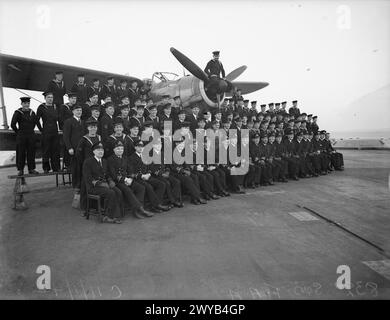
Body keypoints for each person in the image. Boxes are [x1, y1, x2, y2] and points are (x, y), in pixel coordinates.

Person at [107, 140, 154, 219]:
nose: (120, 150)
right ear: (114, 150)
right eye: (118, 149)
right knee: (128, 190)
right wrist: (125, 179)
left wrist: (130, 178)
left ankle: (138, 209)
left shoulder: (125, 158)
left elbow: (130, 170)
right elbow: (113, 175)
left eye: (121, 149)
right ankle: (140, 210)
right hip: (118, 181)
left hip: (128, 179)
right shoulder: (110, 159)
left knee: (141, 188)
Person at [82, 142, 123, 224]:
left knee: (118, 191)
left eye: (102, 150)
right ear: (93, 151)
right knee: (110, 193)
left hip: (105, 185)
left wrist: (110, 180)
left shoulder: (104, 161)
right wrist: (100, 184)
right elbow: (88, 178)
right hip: (93, 187)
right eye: (98, 150)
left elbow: (107, 174)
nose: (101, 152)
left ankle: (118, 214)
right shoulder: (88, 162)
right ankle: (108, 216)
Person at [128, 140, 170, 213]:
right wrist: (142, 176)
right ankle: (156, 205)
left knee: (161, 184)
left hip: (147, 176)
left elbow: (150, 167)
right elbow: (131, 172)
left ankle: (156, 205)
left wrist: (149, 174)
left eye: (142, 146)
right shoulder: (131, 158)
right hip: (138, 178)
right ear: (135, 147)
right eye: (138, 146)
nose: (141, 148)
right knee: (148, 187)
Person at [11, 97, 42, 175]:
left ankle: (31, 169)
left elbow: (37, 123)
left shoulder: (32, 112)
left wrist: (42, 130)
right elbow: (13, 124)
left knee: (31, 152)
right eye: (25, 103)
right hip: (21, 135)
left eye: (28, 103)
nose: (26, 105)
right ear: (21, 104)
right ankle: (20, 170)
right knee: (21, 153)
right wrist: (18, 132)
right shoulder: (18, 112)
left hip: (31, 135)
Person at [37, 91, 61, 173]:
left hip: (54, 131)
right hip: (46, 131)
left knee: (55, 149)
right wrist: (41, 129)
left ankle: (56, 167)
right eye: (48, 97)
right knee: (46, 150)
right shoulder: (41, 107)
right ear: (45, 98)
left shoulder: (55, 107)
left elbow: (59, 119)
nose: (50, 99)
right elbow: (37, 120)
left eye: (51, 97)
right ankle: (46, 168)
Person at [63, 104, 85, 190]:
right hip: (74, 149)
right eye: (77, 110)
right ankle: (76, 185)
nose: (79, 112)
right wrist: (69, 148)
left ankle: (82, 184)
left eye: (80, 111)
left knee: (82, 167)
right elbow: (66, 136)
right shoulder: (68, 122)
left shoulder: (83, 122)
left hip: (82, 149)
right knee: (75, 168)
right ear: (73, 112)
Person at [59, 92, 78, 171]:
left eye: (75, 98)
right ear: (69, 99)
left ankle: (74, 164)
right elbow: (60, 118)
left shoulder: (77, 107)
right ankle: (67, 165)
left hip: (75, 130)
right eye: (72, 98)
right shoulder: (64, 107)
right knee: (67, 146)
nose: (74, 100)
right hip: (67, 129)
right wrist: (62, 128)